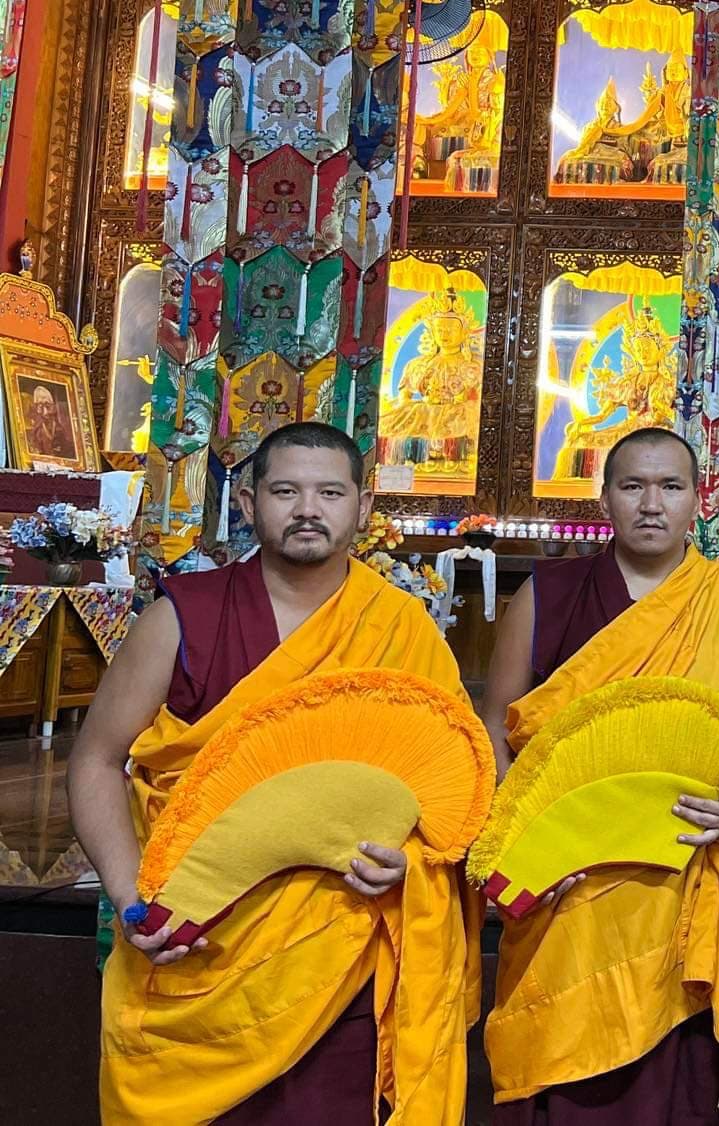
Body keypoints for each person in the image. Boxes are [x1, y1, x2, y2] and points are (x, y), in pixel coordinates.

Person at [71, 422, 477, 1123]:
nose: (308, 510)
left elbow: (449, 788)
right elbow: (96, 760)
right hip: (196, 939)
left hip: (340, 951)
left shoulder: (401, 627)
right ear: (249, 502)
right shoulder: (182, 618)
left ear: (363, 506)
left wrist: (410, 861)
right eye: (286, 491)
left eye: (330, 493)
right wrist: (130, 892)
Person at [479, 428, 719, 1123]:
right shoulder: (549, 594)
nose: (652, 504)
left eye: (670, 487)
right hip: (566, 877)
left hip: (679, 877)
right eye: (633, 486)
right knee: (555, 1060)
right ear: (605, 498)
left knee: (667, 1082)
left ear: (698, 500)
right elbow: (495, 726)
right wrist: (519, 847)